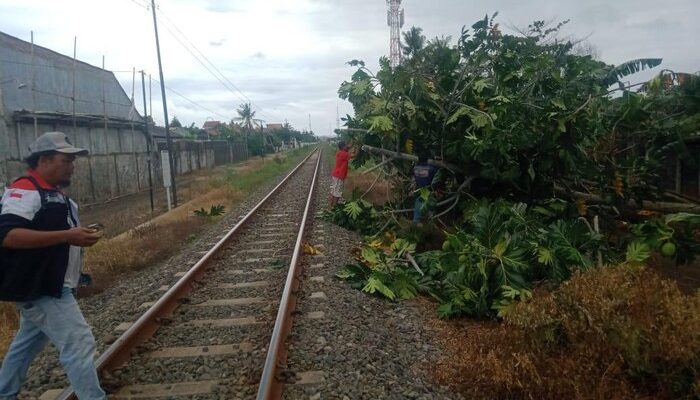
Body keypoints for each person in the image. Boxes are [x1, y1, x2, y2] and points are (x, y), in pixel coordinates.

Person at [0, 132, 106, 400]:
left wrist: (77, 239)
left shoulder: (55, 194)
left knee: (25, 345)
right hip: (42, 287)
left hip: (54, 284)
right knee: (79, 341)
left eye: (73, 160)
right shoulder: (24, 190)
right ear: (44, 160)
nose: (72, 165)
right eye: (66, 160)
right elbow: (8, 235)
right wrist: (67, 236)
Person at [413, 154, 438, 223]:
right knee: (430, 205)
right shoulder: (431, 168)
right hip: (429, 190)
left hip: (421, 190)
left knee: (419, 203)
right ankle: (430, 221)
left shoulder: (415, 168)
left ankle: (416, 220)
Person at [329, 141, 351, 207]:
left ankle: (332, 205)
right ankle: (334, 207)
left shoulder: (339, 152)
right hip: (339, 176)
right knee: (337, 192)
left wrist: (352, 143)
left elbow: (348, 148)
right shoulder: (345, 154)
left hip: (336, 175)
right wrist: (359, 148)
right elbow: (354, 155)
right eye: (346, 145)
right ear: (343, 147)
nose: (347, 146)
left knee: (334, 191)